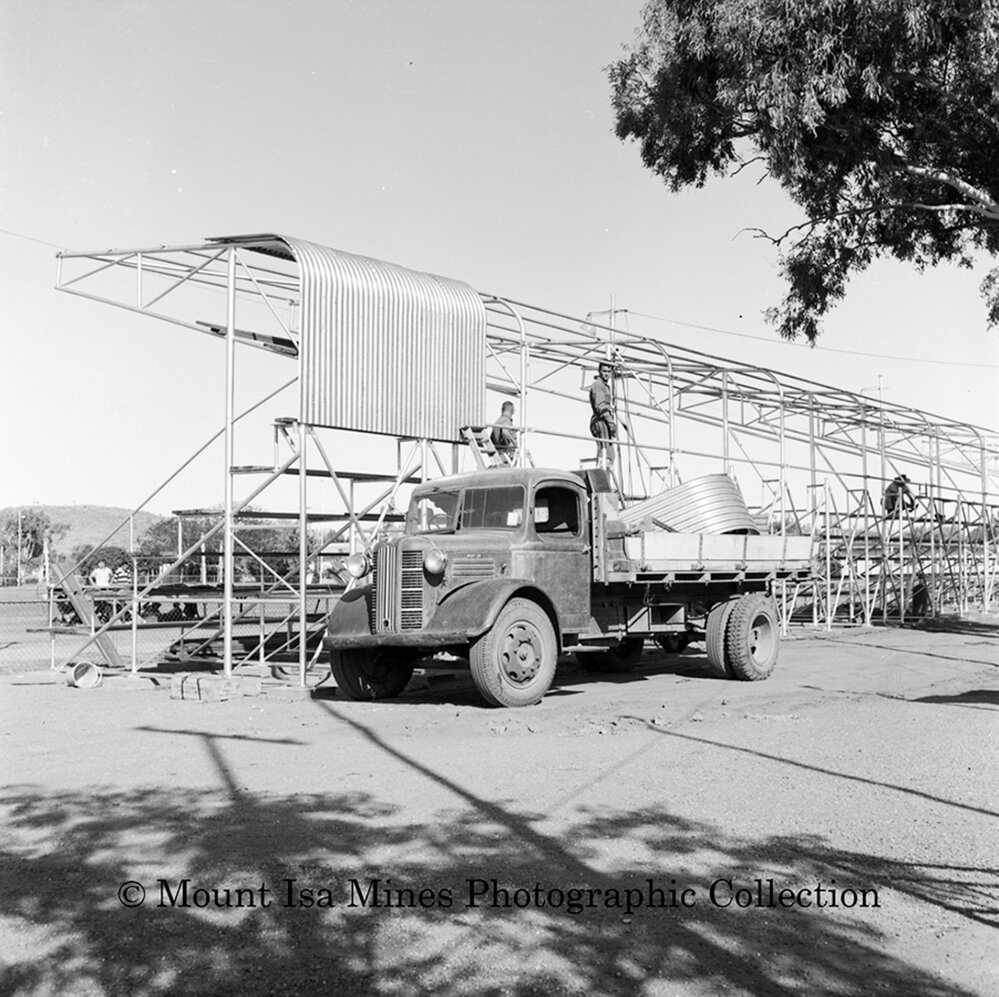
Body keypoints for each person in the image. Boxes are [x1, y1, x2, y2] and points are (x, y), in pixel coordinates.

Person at [589, 360, 618, 466]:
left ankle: (604, 468)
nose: (606, 374)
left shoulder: (605, 386)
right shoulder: (598, 385)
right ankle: (601, 469)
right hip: (601, 420)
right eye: (604, 371)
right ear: (599, 371)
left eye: (608, 371)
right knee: (605, 451)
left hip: (604, 420)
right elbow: (601, 405)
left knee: (609, 452)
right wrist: (610, 422)